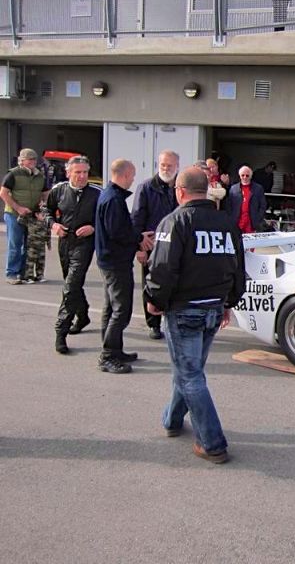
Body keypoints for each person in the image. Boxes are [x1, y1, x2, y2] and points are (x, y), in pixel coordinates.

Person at [145, 167, 245, 464]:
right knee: (189, 371)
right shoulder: (227, 224)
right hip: (213, 308)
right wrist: (229, 301)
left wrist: (154, 300)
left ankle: (212, 443)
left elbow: (162, 268)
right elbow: (238, 267)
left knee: (190, 375)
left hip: (185, 310)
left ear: (180, 191)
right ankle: (172, 420)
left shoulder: (174, 221)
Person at [42, 156, 101, 354]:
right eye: (78, 172)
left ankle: (61, 331)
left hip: (85, 244)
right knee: (72, 283)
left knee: (70, 286)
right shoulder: (59, 190)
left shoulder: (97, 193)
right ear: (68, 173)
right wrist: (54, 225)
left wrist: (93, 227)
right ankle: (83, 315)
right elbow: (46, 210)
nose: (82, 176)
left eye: (85, 172)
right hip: (65, 241)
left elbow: (109, 218)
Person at [95, 158, 141, 374]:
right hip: (115, 262)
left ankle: (115, 350)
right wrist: (139, 238)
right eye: (132, 175)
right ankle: (108, 356)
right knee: (121, 309)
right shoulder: (113, 199)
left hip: (109, 260)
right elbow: (118, 233)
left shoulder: (109, 195)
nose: (133, 179)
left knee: (111, 307)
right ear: (123, 175)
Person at [131, 149, 179, 340]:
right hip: (152, 246)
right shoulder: (146, 188)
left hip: (176, 246)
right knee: (151, 285)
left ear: (177, 166)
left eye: (170, 165)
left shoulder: (180, 188)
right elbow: (136, 218)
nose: (166, 169)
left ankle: (172, 321)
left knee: (176, 284)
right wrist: (139, 247)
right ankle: (153, 324)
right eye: (163, 165)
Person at [1, 148, 47, 284]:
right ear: (22, 161)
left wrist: (42, 207)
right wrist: (18, 208)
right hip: (13, 214)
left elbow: (45, 193)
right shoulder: (13, 174)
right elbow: (3, 193)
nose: (33, 161)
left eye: (34, 159)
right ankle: (12, 274)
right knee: (15, 244)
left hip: (31, 215)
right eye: (29, 159)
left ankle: (24, 273)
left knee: (28, 245)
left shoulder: (40, 175)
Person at [227, 165, 268, 234]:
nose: (245, 177)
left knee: (251, 244)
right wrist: (232, 217)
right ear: (239, 176)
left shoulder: (258, 188)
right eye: (242, 175)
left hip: (252, 223)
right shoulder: (233, 189)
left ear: (251, 176)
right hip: (237, 223)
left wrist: (258, 217)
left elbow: (263, 205)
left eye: (247, 175)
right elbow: (229, 205)